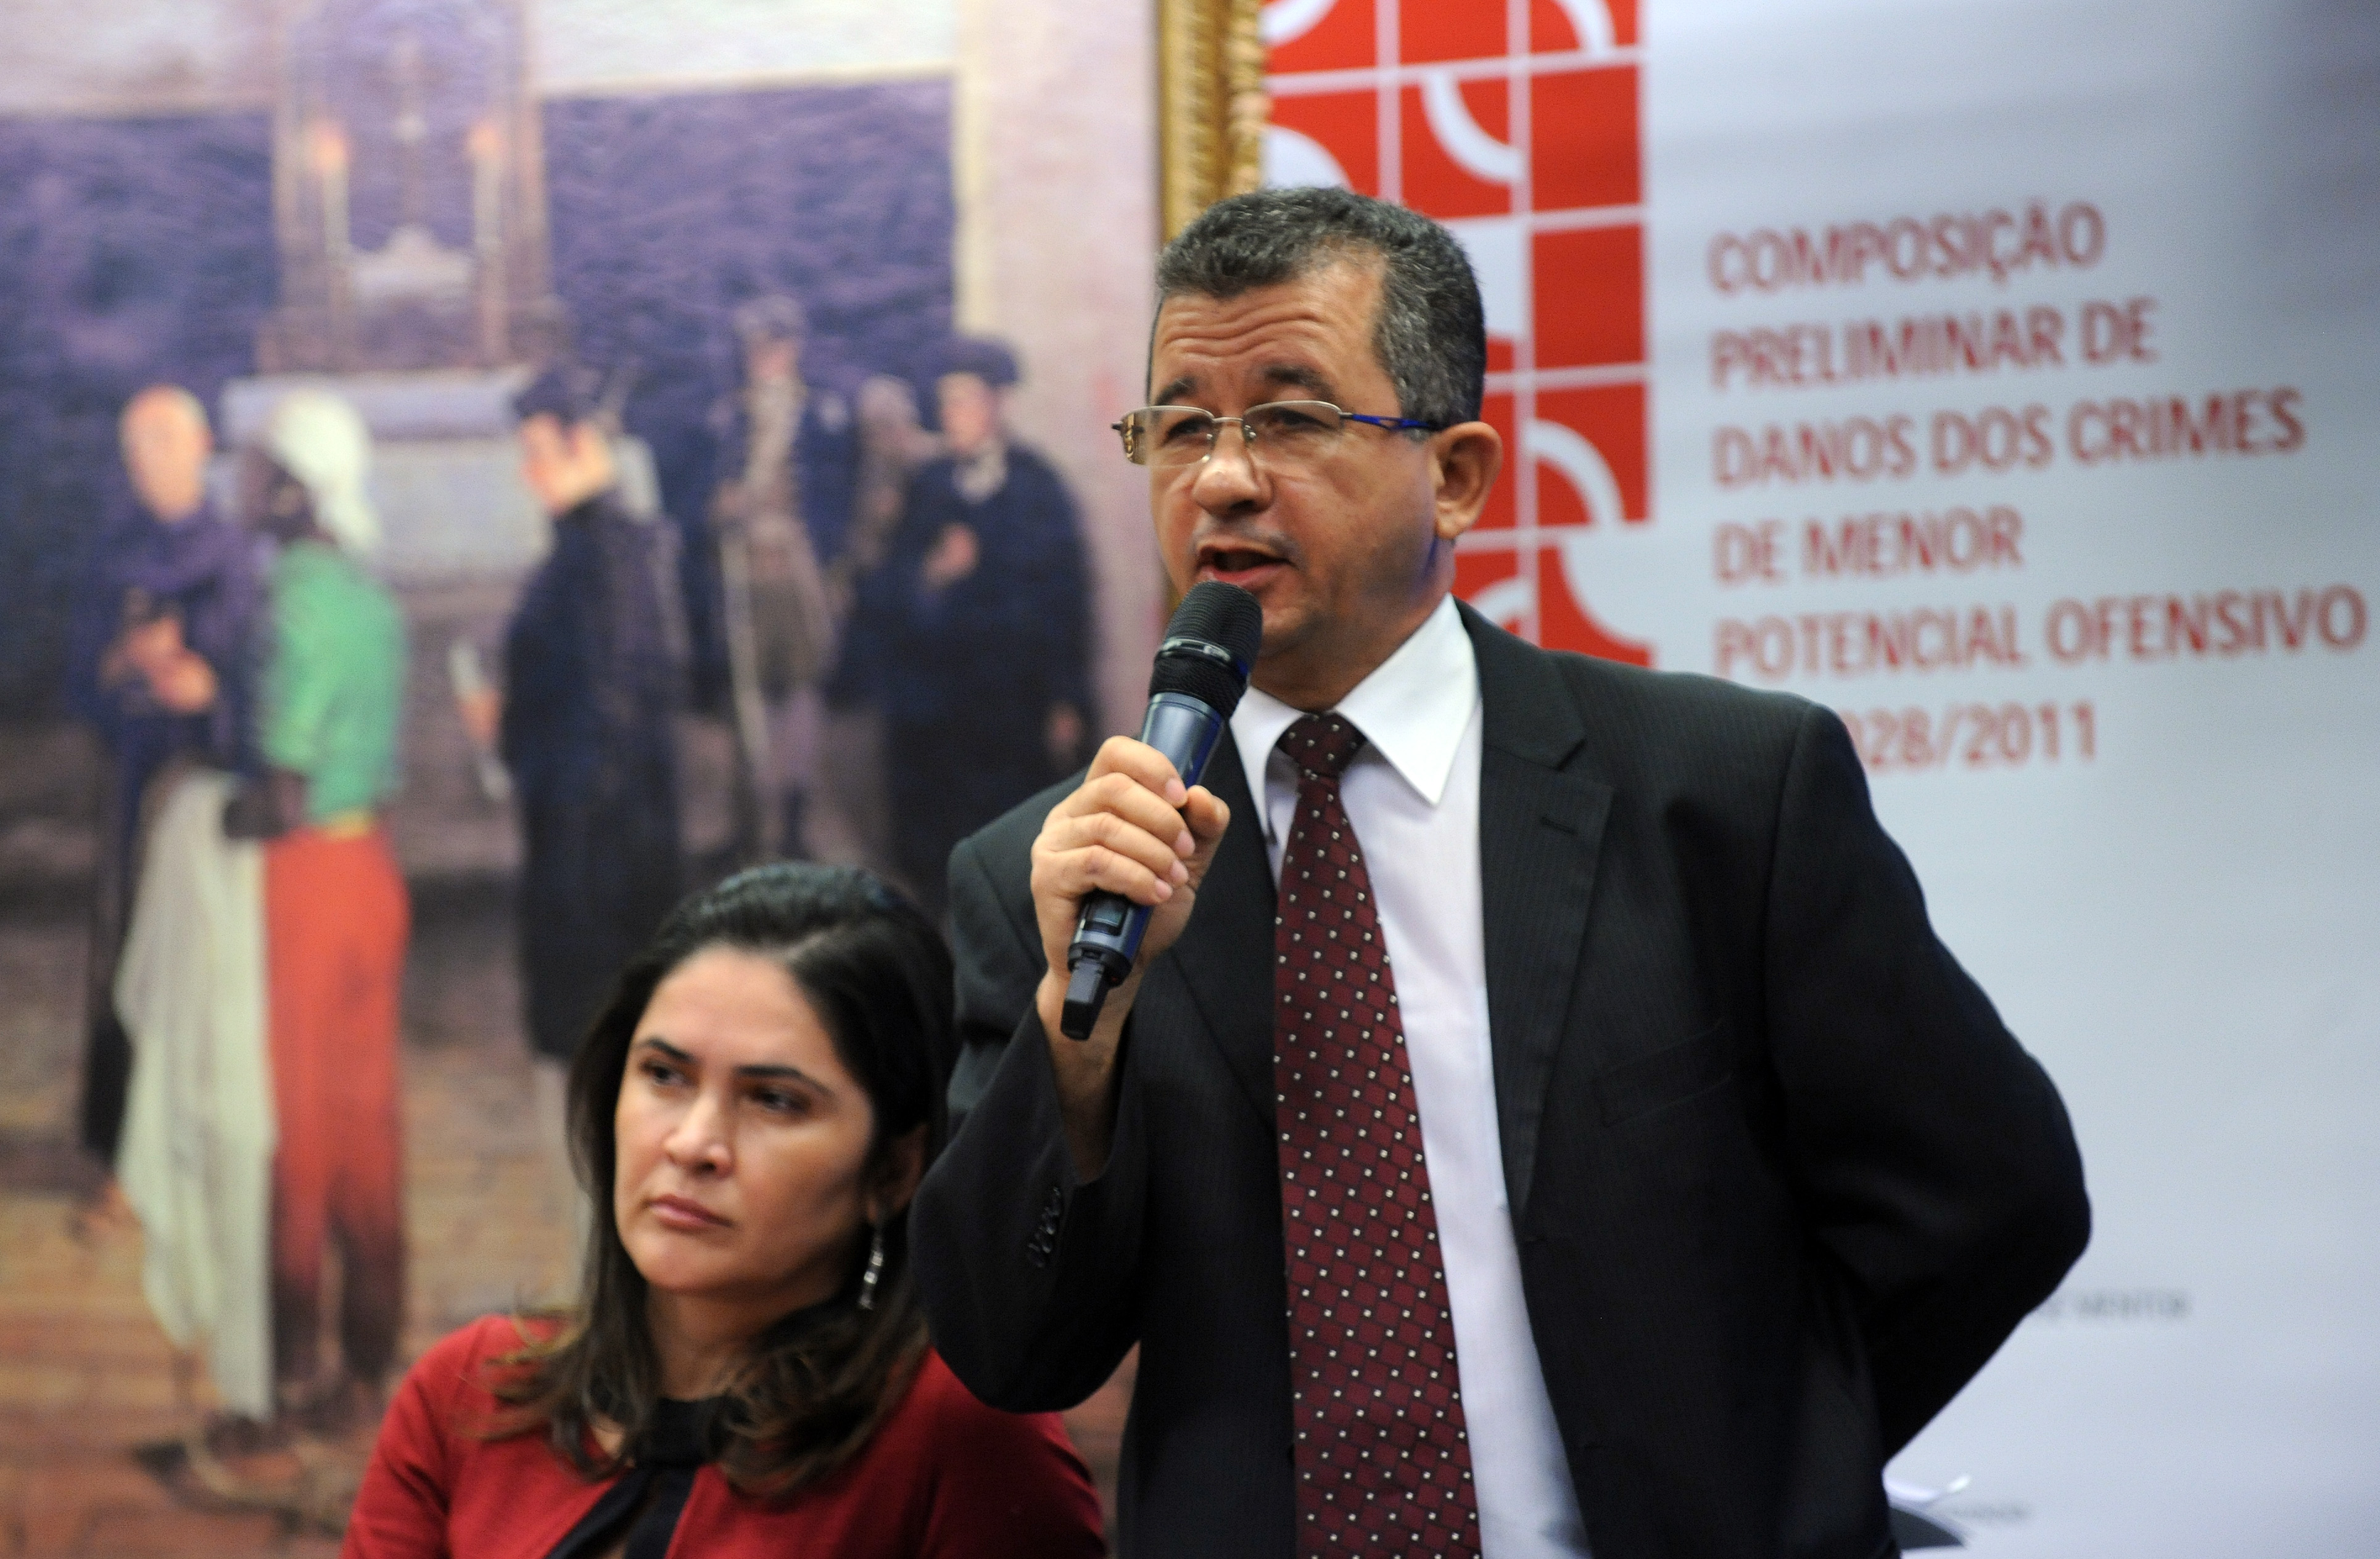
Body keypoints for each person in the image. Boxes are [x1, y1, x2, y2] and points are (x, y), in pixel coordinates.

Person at [909, 187, 2091, 1558]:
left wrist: (1765, 1469)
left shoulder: (1721, 794)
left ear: (1457, 475)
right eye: (1179, 428)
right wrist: (1082, 1043)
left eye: (1290, 417)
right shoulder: (1059, 874)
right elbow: (1010, 1345)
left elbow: (1993, 1196)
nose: (1221, 479)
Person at [342, 863, 1107, 1558]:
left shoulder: (964, 1438)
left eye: (775, 1100)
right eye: (664, 1075)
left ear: (894, 1168)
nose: (693, 1143)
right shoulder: (471, 1391)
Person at [459, 366, 685, 1234]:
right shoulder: (593, 552)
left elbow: (608, 731)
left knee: (599, 1090)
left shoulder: (603, 559)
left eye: (538, 453)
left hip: (596, 872)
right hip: (591, 855)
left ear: (584, 445)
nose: (528, 474)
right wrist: (513, 724)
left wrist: (515, 733)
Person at [223, 388, 410, 1430]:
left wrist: (211, 807)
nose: (241, 481)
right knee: (364, 1121)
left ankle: (288, 1367)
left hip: (303, 881)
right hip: (370, 871)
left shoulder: (290, 597)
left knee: (292, 1122)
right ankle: (368, 1360)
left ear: (294, 490)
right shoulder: (368, 595)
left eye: (257, 466)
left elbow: (281, 793)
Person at [65, 384, 261, 1190]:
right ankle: (122, 1147)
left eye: (161, 440)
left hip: (204, 781)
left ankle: (196, 1135)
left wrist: (208, 691)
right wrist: (122, 664)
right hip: (134, 780)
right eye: (133, 445)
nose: (145, 460)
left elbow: (256, 674)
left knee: (203, 963)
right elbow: (81, 678)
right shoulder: (113, 554)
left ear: (201, 446)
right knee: (123, 948)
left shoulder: (235, 553)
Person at [841, 337, 1092, 916]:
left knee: (1014, 849)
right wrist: (931, 574)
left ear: (997, 404)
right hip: (936, 706)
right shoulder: (927, 485)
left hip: (1011, 703)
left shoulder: (1038, 487)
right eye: (945, 402)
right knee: (936, 854)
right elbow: (886, 592)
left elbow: (1066, 603)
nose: (951, 415)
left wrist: (1065, 699)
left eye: (964, 401)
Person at [706, 296, 859, 859]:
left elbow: (838, 498)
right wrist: (719, 507)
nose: (763, 359)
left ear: (793, 350)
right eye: (755, 349)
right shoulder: (730, 417)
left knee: (799, 697)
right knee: (743, 698)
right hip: (742, 574)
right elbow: (705, 493)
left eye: (773, 347)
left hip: (800, 577)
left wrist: (837, 569)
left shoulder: (821, 417)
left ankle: (793, 825)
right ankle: (745, 825)